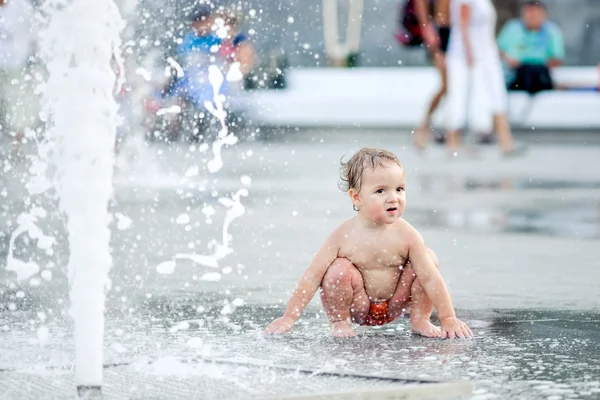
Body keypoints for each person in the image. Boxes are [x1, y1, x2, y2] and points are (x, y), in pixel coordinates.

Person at [265, 148, 473, 339]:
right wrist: (289, 317)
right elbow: (312, 277)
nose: (393, 198)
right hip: (358, 306)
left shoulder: (407, 235)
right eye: (381, 191)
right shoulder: (343, 235)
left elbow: (430, 278)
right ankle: (340, 322)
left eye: (399, 189)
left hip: (395, 304)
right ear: (356, 197)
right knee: (338, 269)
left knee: (429, 259)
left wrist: (448, 318)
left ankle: (420, 319)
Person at [445, 0, 518, 155]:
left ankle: (505, 139)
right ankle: (453, 142)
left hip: (486, 54)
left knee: (496, 95)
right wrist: (468, 51)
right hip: (465, 55)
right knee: (458, 96)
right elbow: (462, 24)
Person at [497, 0, 564, 94]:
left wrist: (536, 63)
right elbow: (498, 51)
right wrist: (508, 59)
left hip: (540, 73)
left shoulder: (552, 31)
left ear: (543, 16)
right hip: (514, 74)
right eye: (529, 14)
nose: (532, 18)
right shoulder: (512, 28)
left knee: (534, 74)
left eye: (536, 15)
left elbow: (556, 59)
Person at [412, 0, 451, 150]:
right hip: (441, 31)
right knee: (447, 86)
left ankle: (448, 132)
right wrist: (426, 29)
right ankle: (424, 128)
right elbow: (420, 4)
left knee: (451, 87)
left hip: (454, 31)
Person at [0, 0, 37, 143]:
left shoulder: (21, 6)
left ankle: (18, 141)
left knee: (17, 105)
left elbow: (33, 30)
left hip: (16, 63)